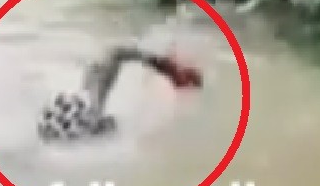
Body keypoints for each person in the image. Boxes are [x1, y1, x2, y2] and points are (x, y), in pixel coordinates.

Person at [37, 46, 202, 141]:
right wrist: (168, 68)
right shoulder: (93, 104)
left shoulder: (88, 95)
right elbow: (116, 54)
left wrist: (167, 67)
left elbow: (115, 54)